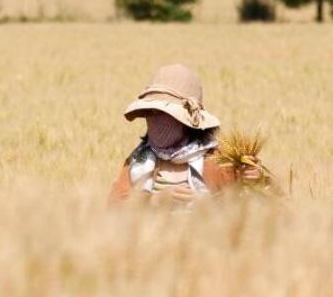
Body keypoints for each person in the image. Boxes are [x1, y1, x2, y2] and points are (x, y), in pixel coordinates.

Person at [108, 64, 263, 205]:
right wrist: (154, 201)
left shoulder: (220, 159)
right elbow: (114, 208)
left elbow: (268, 203)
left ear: (187, 120)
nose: (155, 119)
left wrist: (257, 178)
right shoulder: (138, 160)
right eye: (150, 112)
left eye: (163, 112)